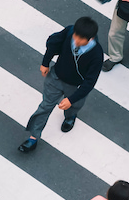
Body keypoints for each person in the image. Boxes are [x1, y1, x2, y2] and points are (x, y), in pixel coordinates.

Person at [20, 17, 103, 153]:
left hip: (75, 86)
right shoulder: (70, 31)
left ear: (91, 38)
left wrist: (71, 99)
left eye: (81, 39)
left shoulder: (96, 54)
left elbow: (90, 82)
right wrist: (45, 62)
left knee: (74, 105)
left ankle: (70, 116)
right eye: (75, 36)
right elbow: (53, 43)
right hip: (55, 77)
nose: (76, 40)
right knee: (45, 106)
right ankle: (33, 137)